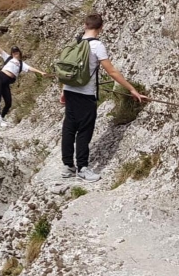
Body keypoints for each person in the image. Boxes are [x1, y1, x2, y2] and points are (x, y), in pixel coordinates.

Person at [60, 14, 145, 182]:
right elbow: (112, 71)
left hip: (70, 90)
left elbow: (68, 69)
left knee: (69, 127)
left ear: (85, 25)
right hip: (85, 94)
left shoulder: (75, 42)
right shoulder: (97, 46)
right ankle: (83, 168)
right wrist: (132, 89)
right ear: (101, 28)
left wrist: (63, 90)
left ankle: (68, 166)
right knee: (84, 130)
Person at [0, 33, 48, 127]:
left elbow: (31, 68)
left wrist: (41, 72)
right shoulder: (8, 57)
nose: (15, 53)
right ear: (12, 53)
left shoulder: (22, 64)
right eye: (13, 52)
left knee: (8, 103)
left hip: (6, 83)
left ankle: (2, 118)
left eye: (16, 52)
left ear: (19, 53)